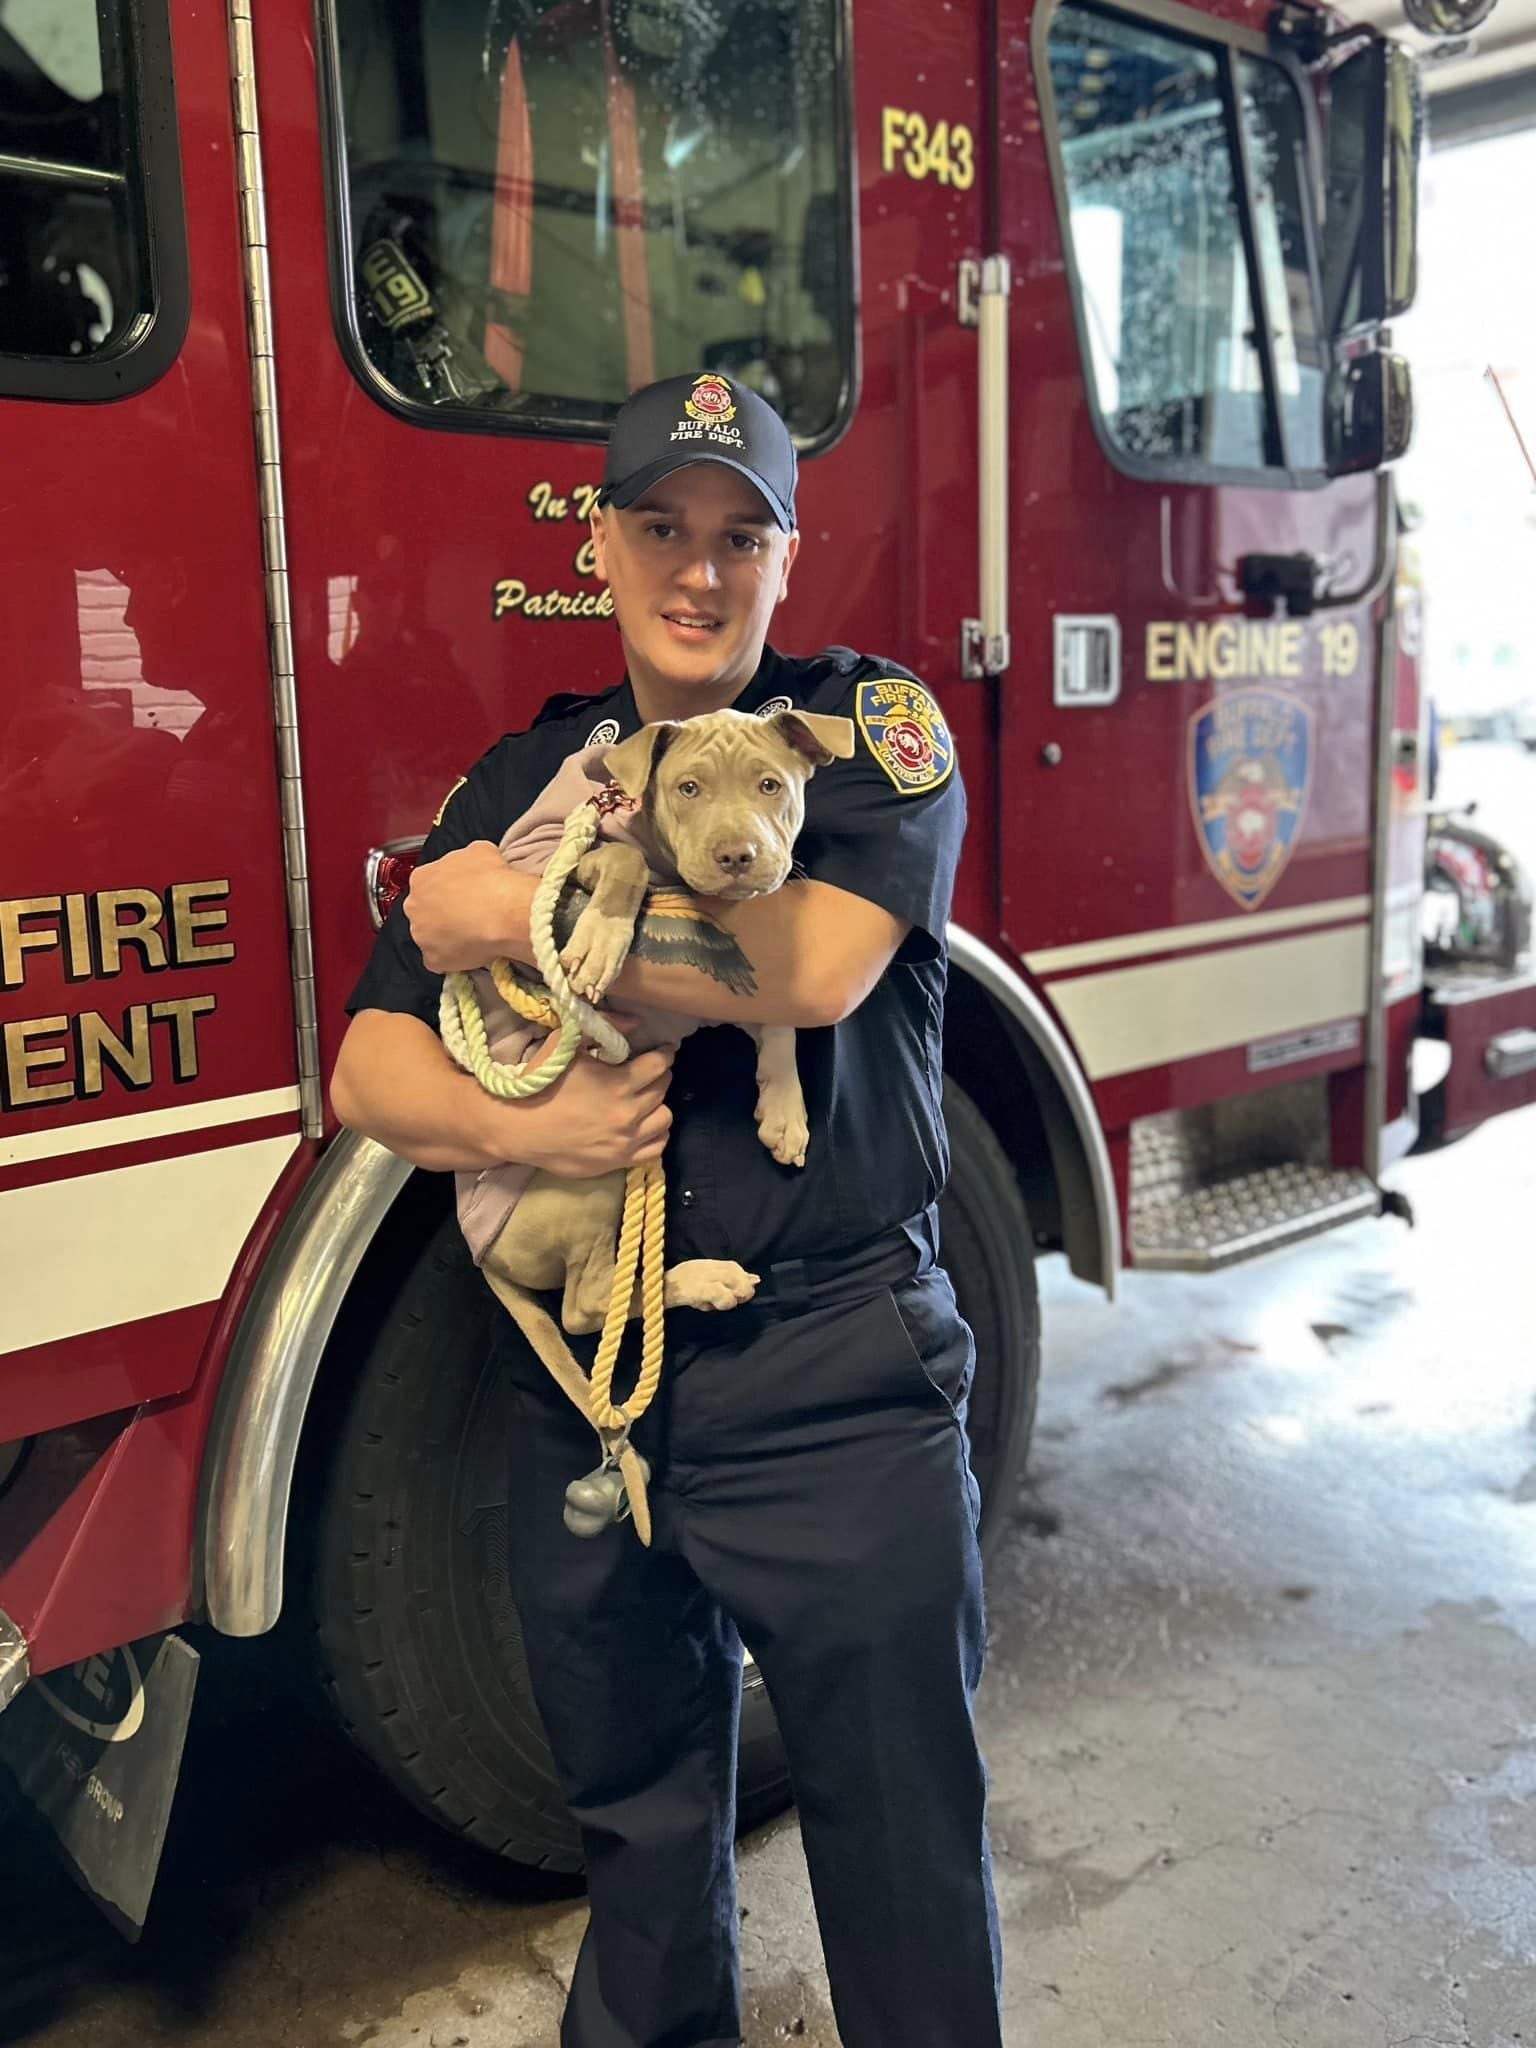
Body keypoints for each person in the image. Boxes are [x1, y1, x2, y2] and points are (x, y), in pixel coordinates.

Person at [331, 371, 1002, 2048]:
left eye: (739, 538)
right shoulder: (530, 773)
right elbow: (362, 1072)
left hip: (840, 1385)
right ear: (602, 547)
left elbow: (817, 967)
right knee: (628, 1840)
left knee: (901, 1855)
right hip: (597, 1402)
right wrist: (529, 1108)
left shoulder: (857, 736)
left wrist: (506, 924)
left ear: (788, 557)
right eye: (661, 531)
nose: (699, 574)